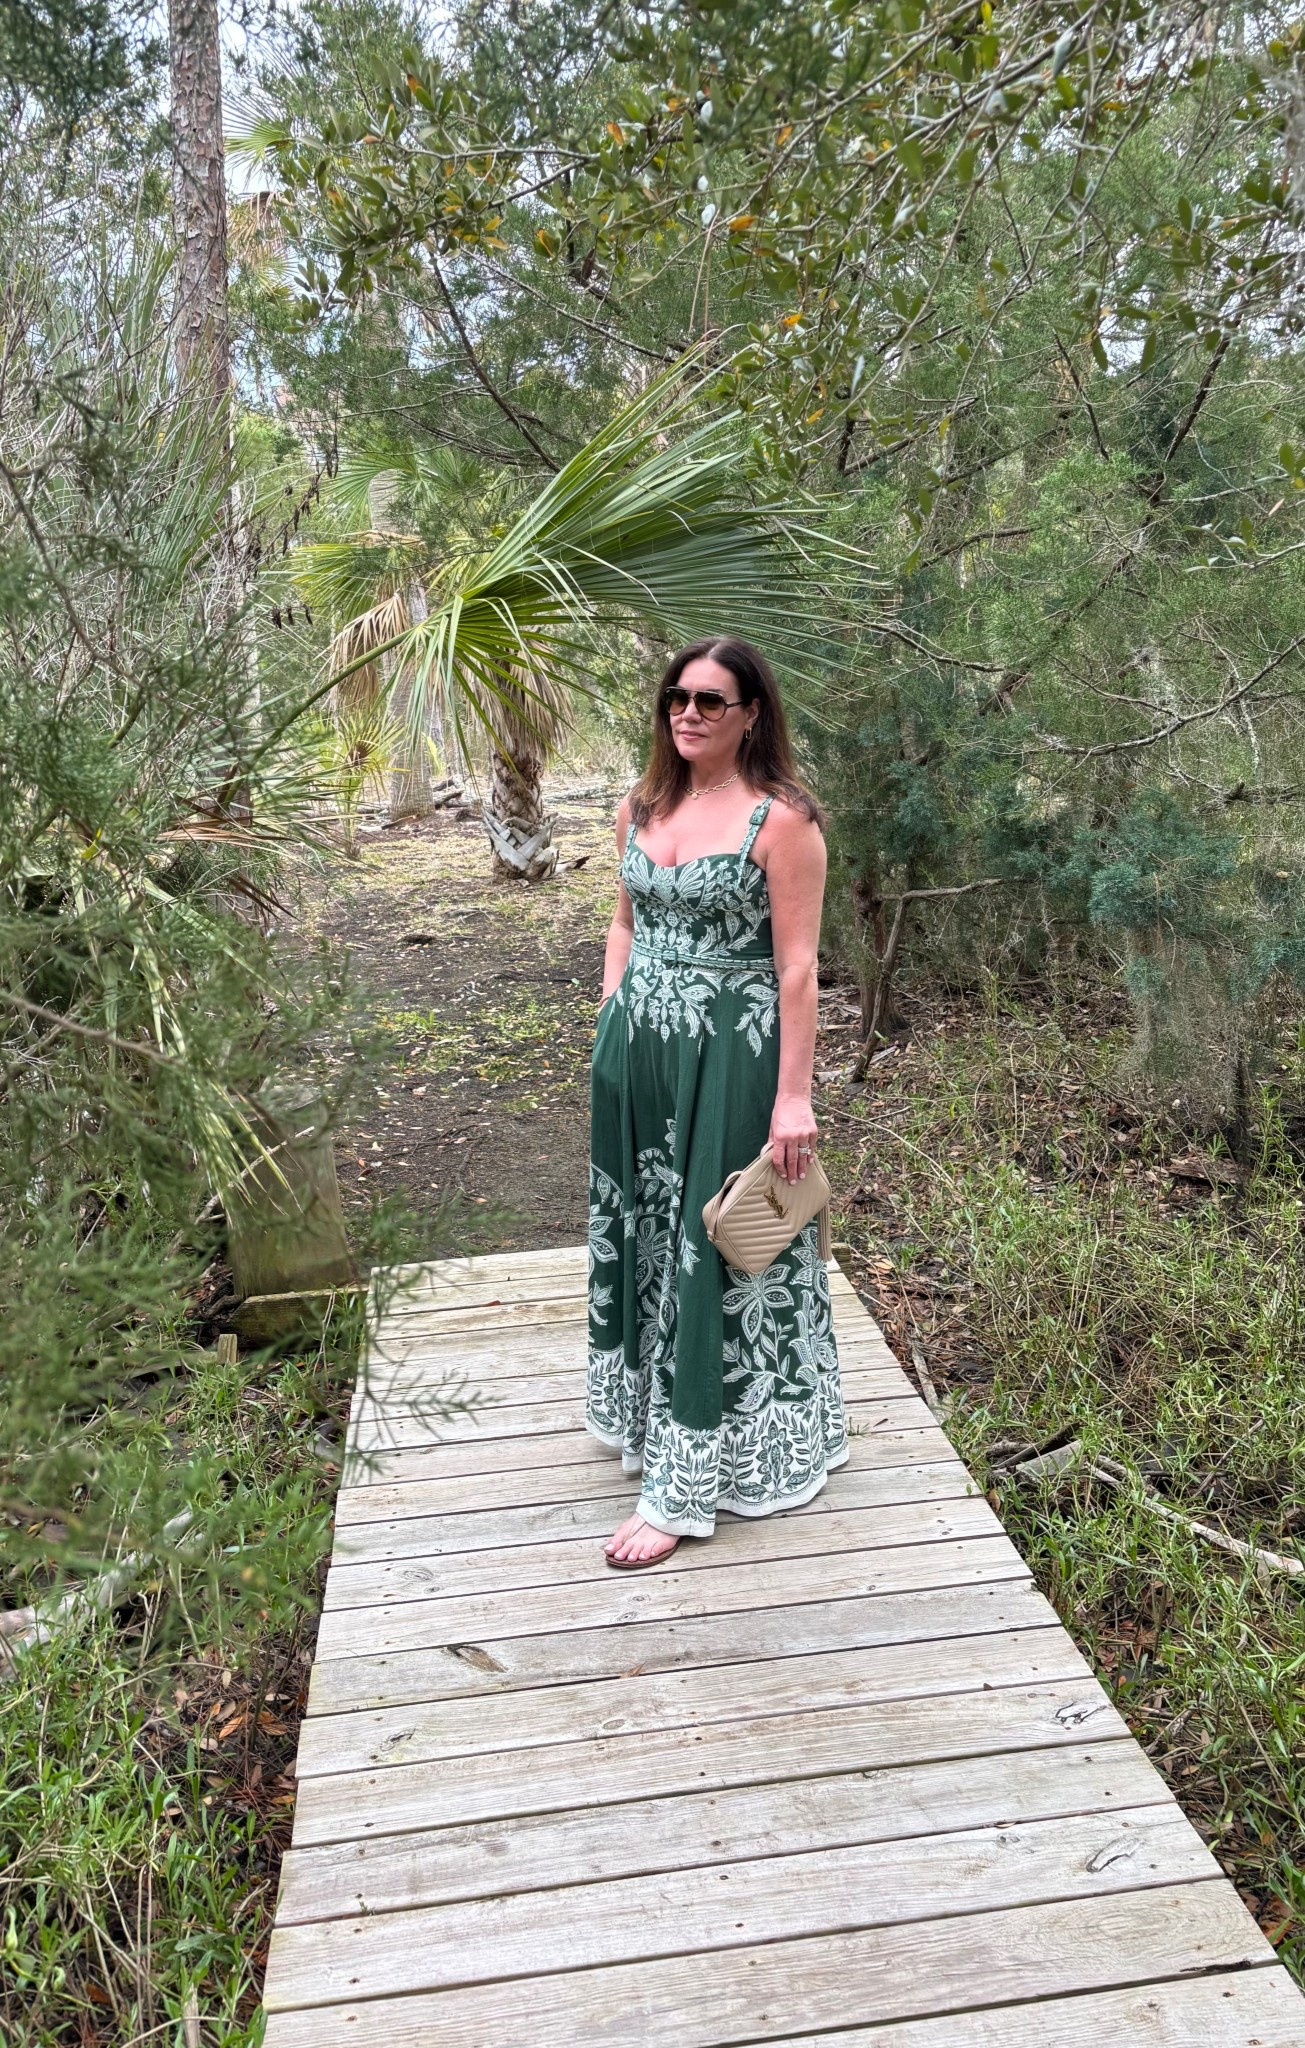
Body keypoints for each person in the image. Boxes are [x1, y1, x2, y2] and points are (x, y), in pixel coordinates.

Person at [587, 636, 847, 1569]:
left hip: (730, 1059)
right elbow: (623, 922)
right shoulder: (640, 806)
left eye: (708, 700)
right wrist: (612, 1012)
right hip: (638, 1060)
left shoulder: (782, 822)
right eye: (675, 698)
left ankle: (688, 1478)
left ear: (750, 713)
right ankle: (649, 1418)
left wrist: (792, 1100)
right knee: (645, 1230)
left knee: (715, 1239)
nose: (686, 714)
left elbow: (798, 970)